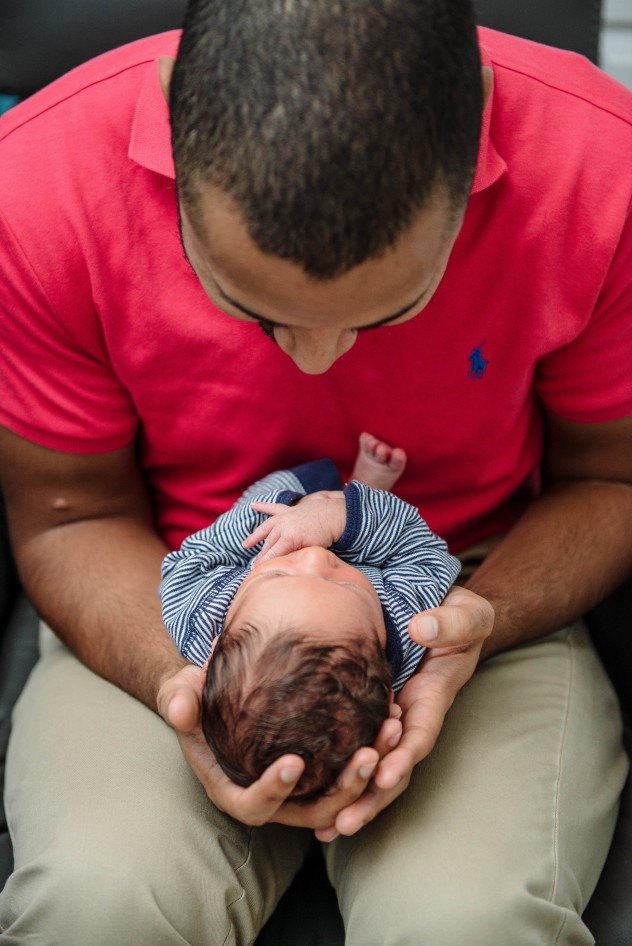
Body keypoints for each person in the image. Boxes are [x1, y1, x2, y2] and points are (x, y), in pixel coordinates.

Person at [0, 0, 630, 943]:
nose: (318, 362)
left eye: (388, 311)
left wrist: (476, 626)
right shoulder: (38, 187)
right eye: (249, 305)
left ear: (480, 151)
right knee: (98, 903)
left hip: (481, 581)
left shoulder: (598, 173)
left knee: (468, 921)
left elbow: (613, 483)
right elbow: (68, 517)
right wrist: (188, 685)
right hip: (157, 584)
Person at [159, 434, 461, 800]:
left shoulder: (200, 616)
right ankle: (357, 491)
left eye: (277, 576)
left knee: (267, 497)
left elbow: (188, 560)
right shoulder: (405, 627)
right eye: (347, 587)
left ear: (209, 657)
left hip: (273, 523)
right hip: (368, 542)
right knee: (370, 528)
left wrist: (288, 512)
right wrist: (346, 516)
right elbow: (427, 554)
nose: (314, 557)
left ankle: (326, 496)